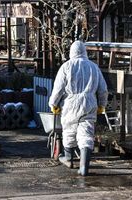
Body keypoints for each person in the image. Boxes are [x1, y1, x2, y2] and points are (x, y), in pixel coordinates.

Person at [48, 40, 108, 176]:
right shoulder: (93, 67)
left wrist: (53, 104)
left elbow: (58, 88)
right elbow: (103, 89)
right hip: (89, 102)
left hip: (71, 104)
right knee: (86, 133)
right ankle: (84, 167)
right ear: (85, 52)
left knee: (69, 130)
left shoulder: (66, 66)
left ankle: (68, 158)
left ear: (71, 52)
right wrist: (102, 105)